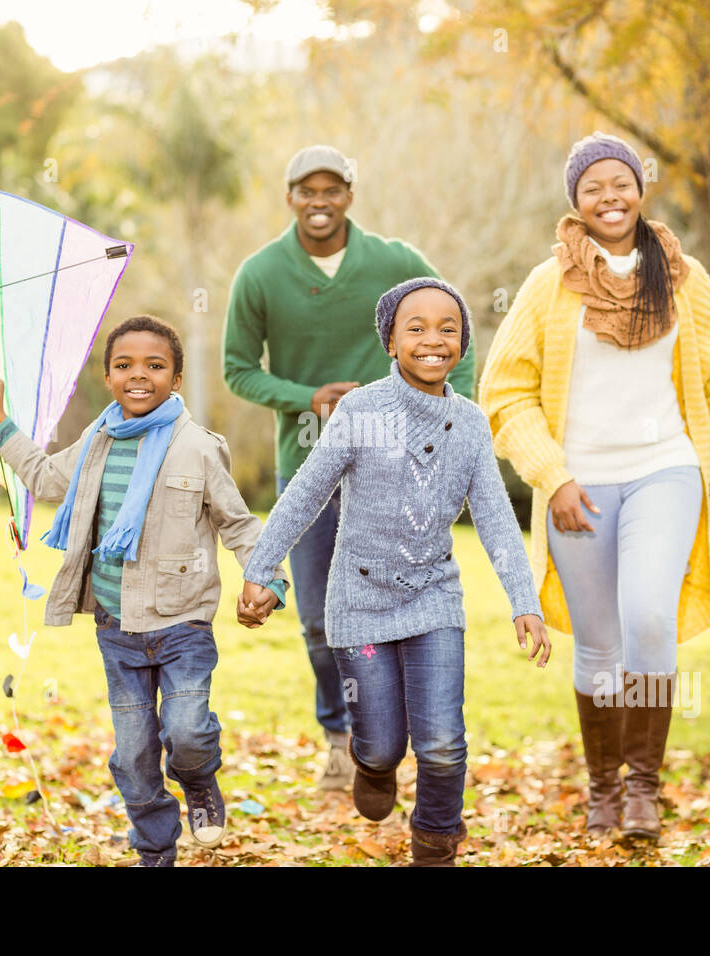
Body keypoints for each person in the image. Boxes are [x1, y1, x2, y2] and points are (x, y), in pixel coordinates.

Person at [478, 132, 710, 842]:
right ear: (577, 204)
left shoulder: (684, 277)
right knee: (598, 644)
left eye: (620, 182)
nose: (609, 196)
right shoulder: (547, 284)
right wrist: (551, 476)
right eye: (593, 188)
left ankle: (645, 787)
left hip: (665, 469)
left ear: (639, 189)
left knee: (649, 616)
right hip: (577, 484)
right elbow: (504, 392)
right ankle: (603, 790)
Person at [237, 277, 549, 866]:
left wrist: (523, 600)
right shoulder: (361, 411)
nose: (433, 340)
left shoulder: (472, 425)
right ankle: (373, 765)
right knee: (382, 743)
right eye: (417, 328)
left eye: (448, 328)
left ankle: (435, 841)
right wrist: (261, 564)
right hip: (360, 603)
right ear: (390, 341)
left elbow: (497, 520)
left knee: (441, 742)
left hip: (434, 598)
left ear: (461, 342)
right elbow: (307, 492)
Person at [0, 315, 288, 867]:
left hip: (182, 622)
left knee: (187, 732)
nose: (138, 375)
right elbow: (48, 479)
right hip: (116, 628)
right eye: (124, 366)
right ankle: (154, 851)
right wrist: (0, 419)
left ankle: (197, 780)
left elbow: (238, 523)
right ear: (108, 375)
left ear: (177, 377)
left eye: (154, 365)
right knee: (134, 756)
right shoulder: (98, 440)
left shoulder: (198, 446)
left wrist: (267, 578)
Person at [223, 144, 477, 789]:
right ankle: (342, 734)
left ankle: (394, 738)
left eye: (331, 189)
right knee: (317, 616)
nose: (319, 200)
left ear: (349, 195)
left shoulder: (393, 261)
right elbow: (238, 370)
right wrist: (304, 398)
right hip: (306, 459)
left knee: (406, 606)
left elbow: (454, 334)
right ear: (290, 197)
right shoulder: (260, 274)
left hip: (398, 473)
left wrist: (452, 422)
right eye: (306, 190)